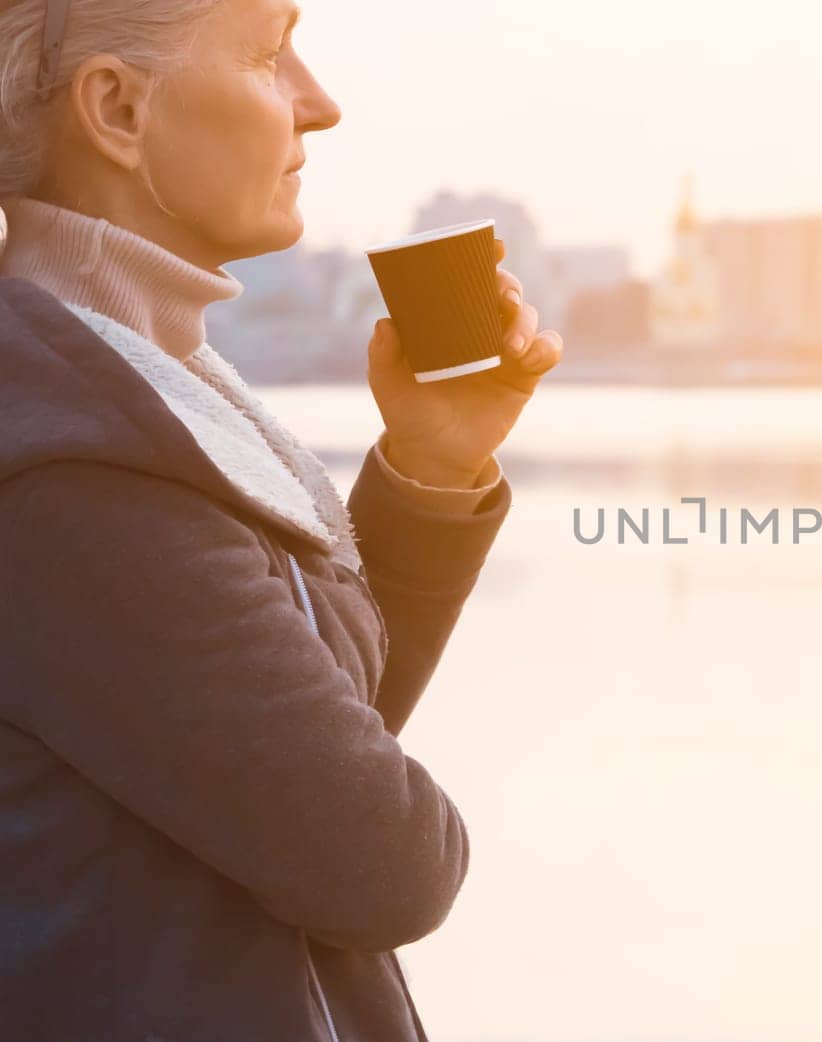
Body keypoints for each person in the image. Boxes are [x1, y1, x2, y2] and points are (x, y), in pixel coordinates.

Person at [0, 1, 563, 1039]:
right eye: (267, 55)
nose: (321, 105)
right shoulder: (77, 470)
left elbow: (285, 758)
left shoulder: (137, 391)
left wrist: (430, 467)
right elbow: (384, 863)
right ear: (117, 108)